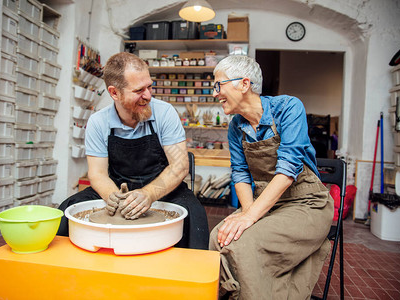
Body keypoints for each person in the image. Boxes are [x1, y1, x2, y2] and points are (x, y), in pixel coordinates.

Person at [209, 55, 334, 299]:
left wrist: (251, 218)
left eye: (219, 85)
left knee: (245, 244)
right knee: (218, 237)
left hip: (306, 203)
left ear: (244, 84)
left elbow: (288, 170)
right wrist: (247, 214)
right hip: (265, 202)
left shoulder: (288, 107)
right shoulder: (236, 126)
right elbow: (240, 173)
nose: (215, 93)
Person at [57, 52, 209, 250]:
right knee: (66, 212)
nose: (148, 95)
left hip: (163, 189)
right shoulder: (98, 122)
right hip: (119, 188)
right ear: (114, 93)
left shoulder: (164, 113)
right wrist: (113, 196)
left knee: (195, 217)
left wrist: (148, 194)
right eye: (139, 90)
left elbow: (179, 167)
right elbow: (98, 174)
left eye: (149, 86)